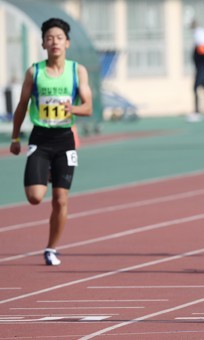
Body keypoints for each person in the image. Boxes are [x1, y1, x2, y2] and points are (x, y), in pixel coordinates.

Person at [9, 18, 93, 266]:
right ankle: (44, 172)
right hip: (40, 138)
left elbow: (88, 107)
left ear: (67, 43)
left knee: (60, 199)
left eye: (59, 38)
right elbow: (22, 106)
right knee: (35, 197)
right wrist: (15, 138)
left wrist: (73, 108)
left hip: (65, 141)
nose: (54, 42)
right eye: (49, 38)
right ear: (43, 43)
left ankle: (51, 248)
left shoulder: (77, 71)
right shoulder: (34, 72)